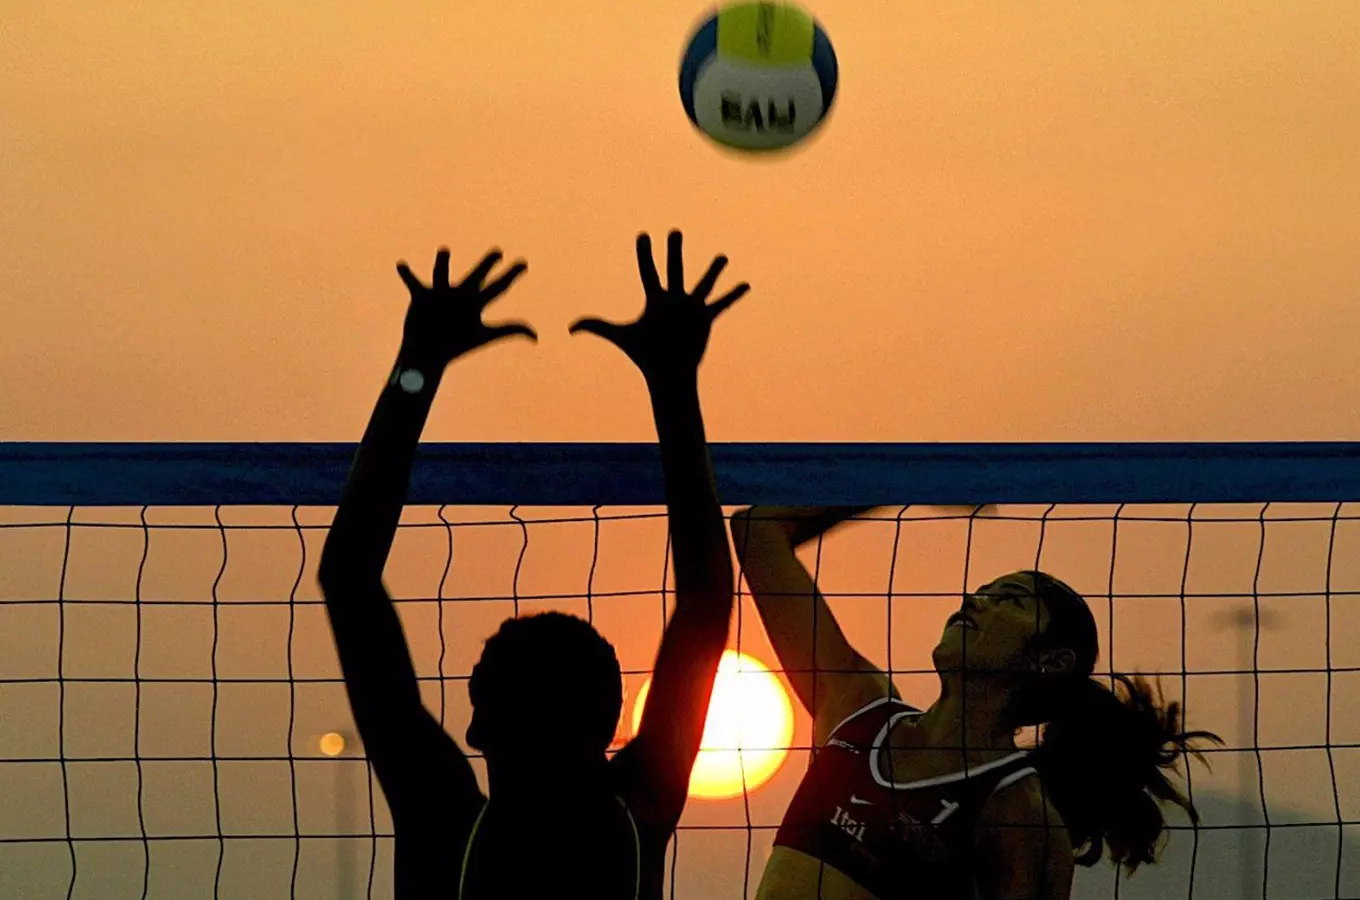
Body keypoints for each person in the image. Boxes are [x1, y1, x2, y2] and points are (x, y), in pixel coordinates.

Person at [317, 231, 749, 899]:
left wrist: (418, 365)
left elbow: (347, 575)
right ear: (611, 728)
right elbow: (706, 603)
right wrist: (673, 383)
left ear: (477, 728)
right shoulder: (639, 813)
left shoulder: (445, 823)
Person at [732, 506, 1224, 900]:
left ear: (1051, 661)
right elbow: (756, 529)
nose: (975, 600)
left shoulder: (1017, 809)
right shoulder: (857, 707)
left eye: (1007, 600)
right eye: (983, 591)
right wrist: (899, 482)